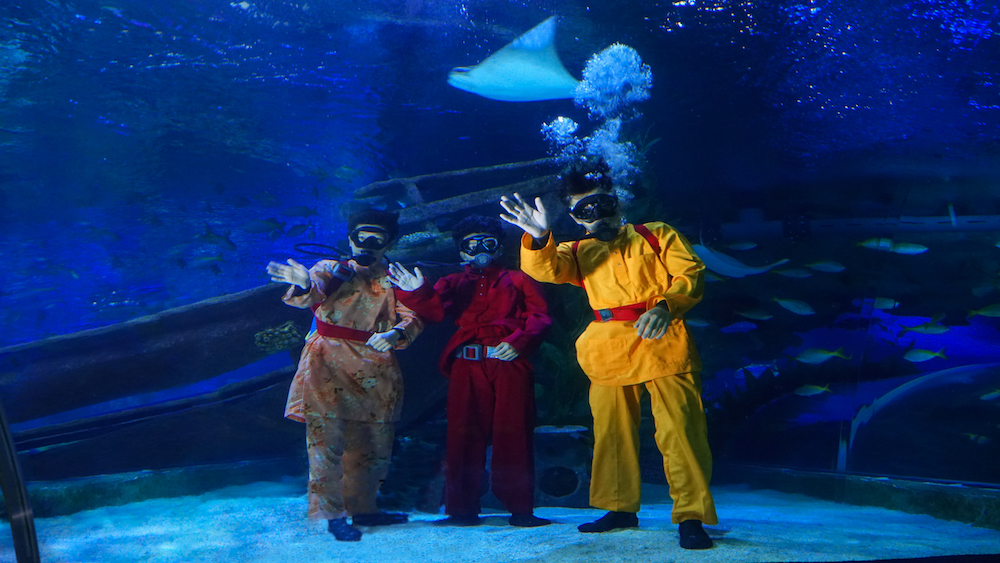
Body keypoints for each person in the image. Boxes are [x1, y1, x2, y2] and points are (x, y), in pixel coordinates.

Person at [499, 160, 718, 550]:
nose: (596, 215)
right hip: (608, 348)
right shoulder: (576, 250)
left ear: (619, 203)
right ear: (575, 217)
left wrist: (665, 306)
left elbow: (691, 273)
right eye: (585, 210)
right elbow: (547, 269)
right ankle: (619, 508)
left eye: (602, 204)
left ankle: (692, 515)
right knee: (610, 432)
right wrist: (538, 235)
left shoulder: (656, 235)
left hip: (664, 337)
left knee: (681, 430)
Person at [265, 209, 424, 542]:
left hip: (376, 368)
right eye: (360, 237)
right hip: (327, 365)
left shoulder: (393, 277)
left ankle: (365, 509)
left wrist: (397, 333)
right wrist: (304, 282)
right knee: (326, 445)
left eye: (376, 239)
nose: (366, 246)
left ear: (389, 243)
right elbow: (313, 289)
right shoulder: (330, 269)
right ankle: (333, 515)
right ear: (349, 238)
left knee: (375, 445)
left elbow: (412, 315)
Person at [387, 215, 553, 528]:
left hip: (509, 362)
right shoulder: (452, 283)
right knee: (462, 433)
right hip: (467, 364)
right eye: (471, 244)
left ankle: (521, 509)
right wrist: (418, 291)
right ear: (461, 252)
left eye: (487, 243)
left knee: (514, 431)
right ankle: (462, 510)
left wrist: (519, 341)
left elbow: (541, 316)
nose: (480, 249)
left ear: (499, 247)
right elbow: (434, 312)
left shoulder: (518, 279)